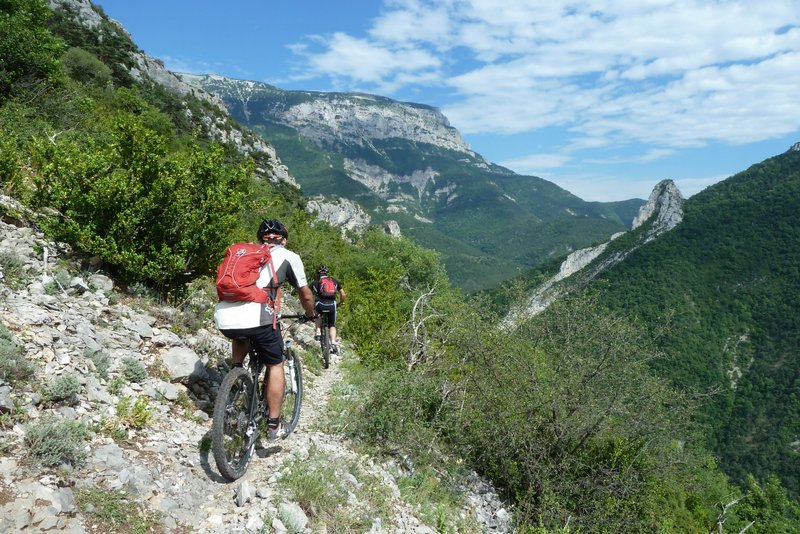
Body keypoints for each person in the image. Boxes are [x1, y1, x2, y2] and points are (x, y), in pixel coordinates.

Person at [213, 219, 316, 440]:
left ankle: (237, 374)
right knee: (275, 364)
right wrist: (311, 315)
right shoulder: (289, 257)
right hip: (257, 317)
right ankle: (273, 425)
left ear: (260, 239)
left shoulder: (245, 254)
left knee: (241, 333)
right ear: (284, 240)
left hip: (224, 317)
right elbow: (306, 295)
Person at [311, 265, 346, 353]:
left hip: (320, 304)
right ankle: (333, 342)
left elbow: (307, 295)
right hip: (331, 305)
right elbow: (343, 294)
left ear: (318, 273)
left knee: (317, 313)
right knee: (332, 325)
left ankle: (318, 331)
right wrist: (340, 303)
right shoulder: (334, 281)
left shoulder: (315, 282)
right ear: (327, 273)